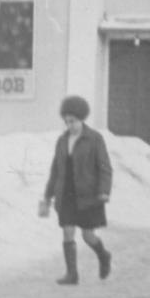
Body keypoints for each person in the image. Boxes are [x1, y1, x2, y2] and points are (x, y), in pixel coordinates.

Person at [39, 94, 114, 285]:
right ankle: (72, 274)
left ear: (81, 119)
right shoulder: (62, 141)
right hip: (66, 194)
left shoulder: (94, 139)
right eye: (67, 122)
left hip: (88, 196)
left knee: (88, 236)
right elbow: (55, 170)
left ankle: (104, 255)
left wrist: (104, 190)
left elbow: (105, 168)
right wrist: (48, 196)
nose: (70, 125)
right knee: (67, 231)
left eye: (73, 121)